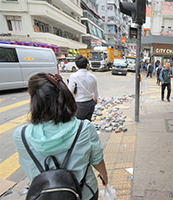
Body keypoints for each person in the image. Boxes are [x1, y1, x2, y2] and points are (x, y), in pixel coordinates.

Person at [13, 72, 108, 200]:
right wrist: (104, 175)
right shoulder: (84, 128)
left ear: (34, 99)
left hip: (44, 195)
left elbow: (29, 168)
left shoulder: (21, 135)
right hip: (84, 193)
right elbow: (97, 160)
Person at [68, 55, 98, 121]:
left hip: (79, 104)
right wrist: (95, 99)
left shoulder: (74, 76)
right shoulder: (92, 76)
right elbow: (95, 91)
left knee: (78, 124)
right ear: (87, 65)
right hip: (90, 103)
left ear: (76, 65)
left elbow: (70, 91)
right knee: (87, 123)